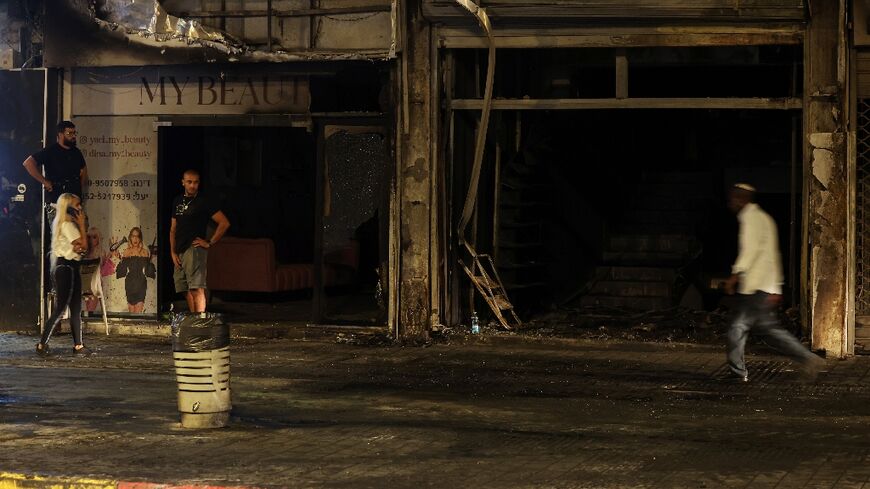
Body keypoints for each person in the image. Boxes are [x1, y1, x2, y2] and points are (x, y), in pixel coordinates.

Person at [723, 183, 823, 382]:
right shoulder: (764, 219)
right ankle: (807, 358)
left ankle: (738, 373)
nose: (731, 202)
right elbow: (773, 255)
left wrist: (735, 275)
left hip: (756, 286)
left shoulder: (750, 219)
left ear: (742, 199)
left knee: (739, 327)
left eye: (734, 198)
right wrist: (776, 286)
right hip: (765, 286)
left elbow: (749, 251)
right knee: (766, 330)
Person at [35, 193, 92, 356]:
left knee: (75, 308)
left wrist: (81, 240)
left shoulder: (65, 224)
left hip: (70, 266)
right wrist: (82, 225)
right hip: (66, 267)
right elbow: (83, 245)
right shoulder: (67, 225)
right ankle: (42, 344)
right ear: (68, 206)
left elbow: (82, 248)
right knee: (60, 308)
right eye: (77, 205)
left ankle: (78, 345)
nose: (80, 208)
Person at [169, 169, 230, 313]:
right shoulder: (177, 201)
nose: (192, 185)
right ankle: (194, 320)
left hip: (194, 249)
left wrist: (209, 242)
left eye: (195, 182)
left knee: (196, 288)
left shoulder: (204, 201)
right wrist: (172, 252)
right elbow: (173, 229)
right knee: (184, 288)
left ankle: (200, 322)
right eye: (189, 182)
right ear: (183, 182)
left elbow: (224, 223)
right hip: (179, 249)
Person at [22, 121, 88, 204]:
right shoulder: (50, 151)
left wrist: (79, 187)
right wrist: (44, 181)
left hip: (74, 198)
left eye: (74, 133)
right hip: (57, 197)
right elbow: (28, 163)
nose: (73, 136)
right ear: (60, 135)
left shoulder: (76, 152)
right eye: (69, 133)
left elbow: (84, 170)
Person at [114, 226, 156, 313]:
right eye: (133, 236)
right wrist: (120, 259)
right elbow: (122, 272)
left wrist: (151, 260)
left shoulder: (145, 252)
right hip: (129, 283)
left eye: (137, 236)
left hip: (141, 283)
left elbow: (149, 273)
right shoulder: (126, 252)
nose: (135, 239)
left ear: (140, 238)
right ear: (130, 238)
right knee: (131, 313)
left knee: (138, 312)